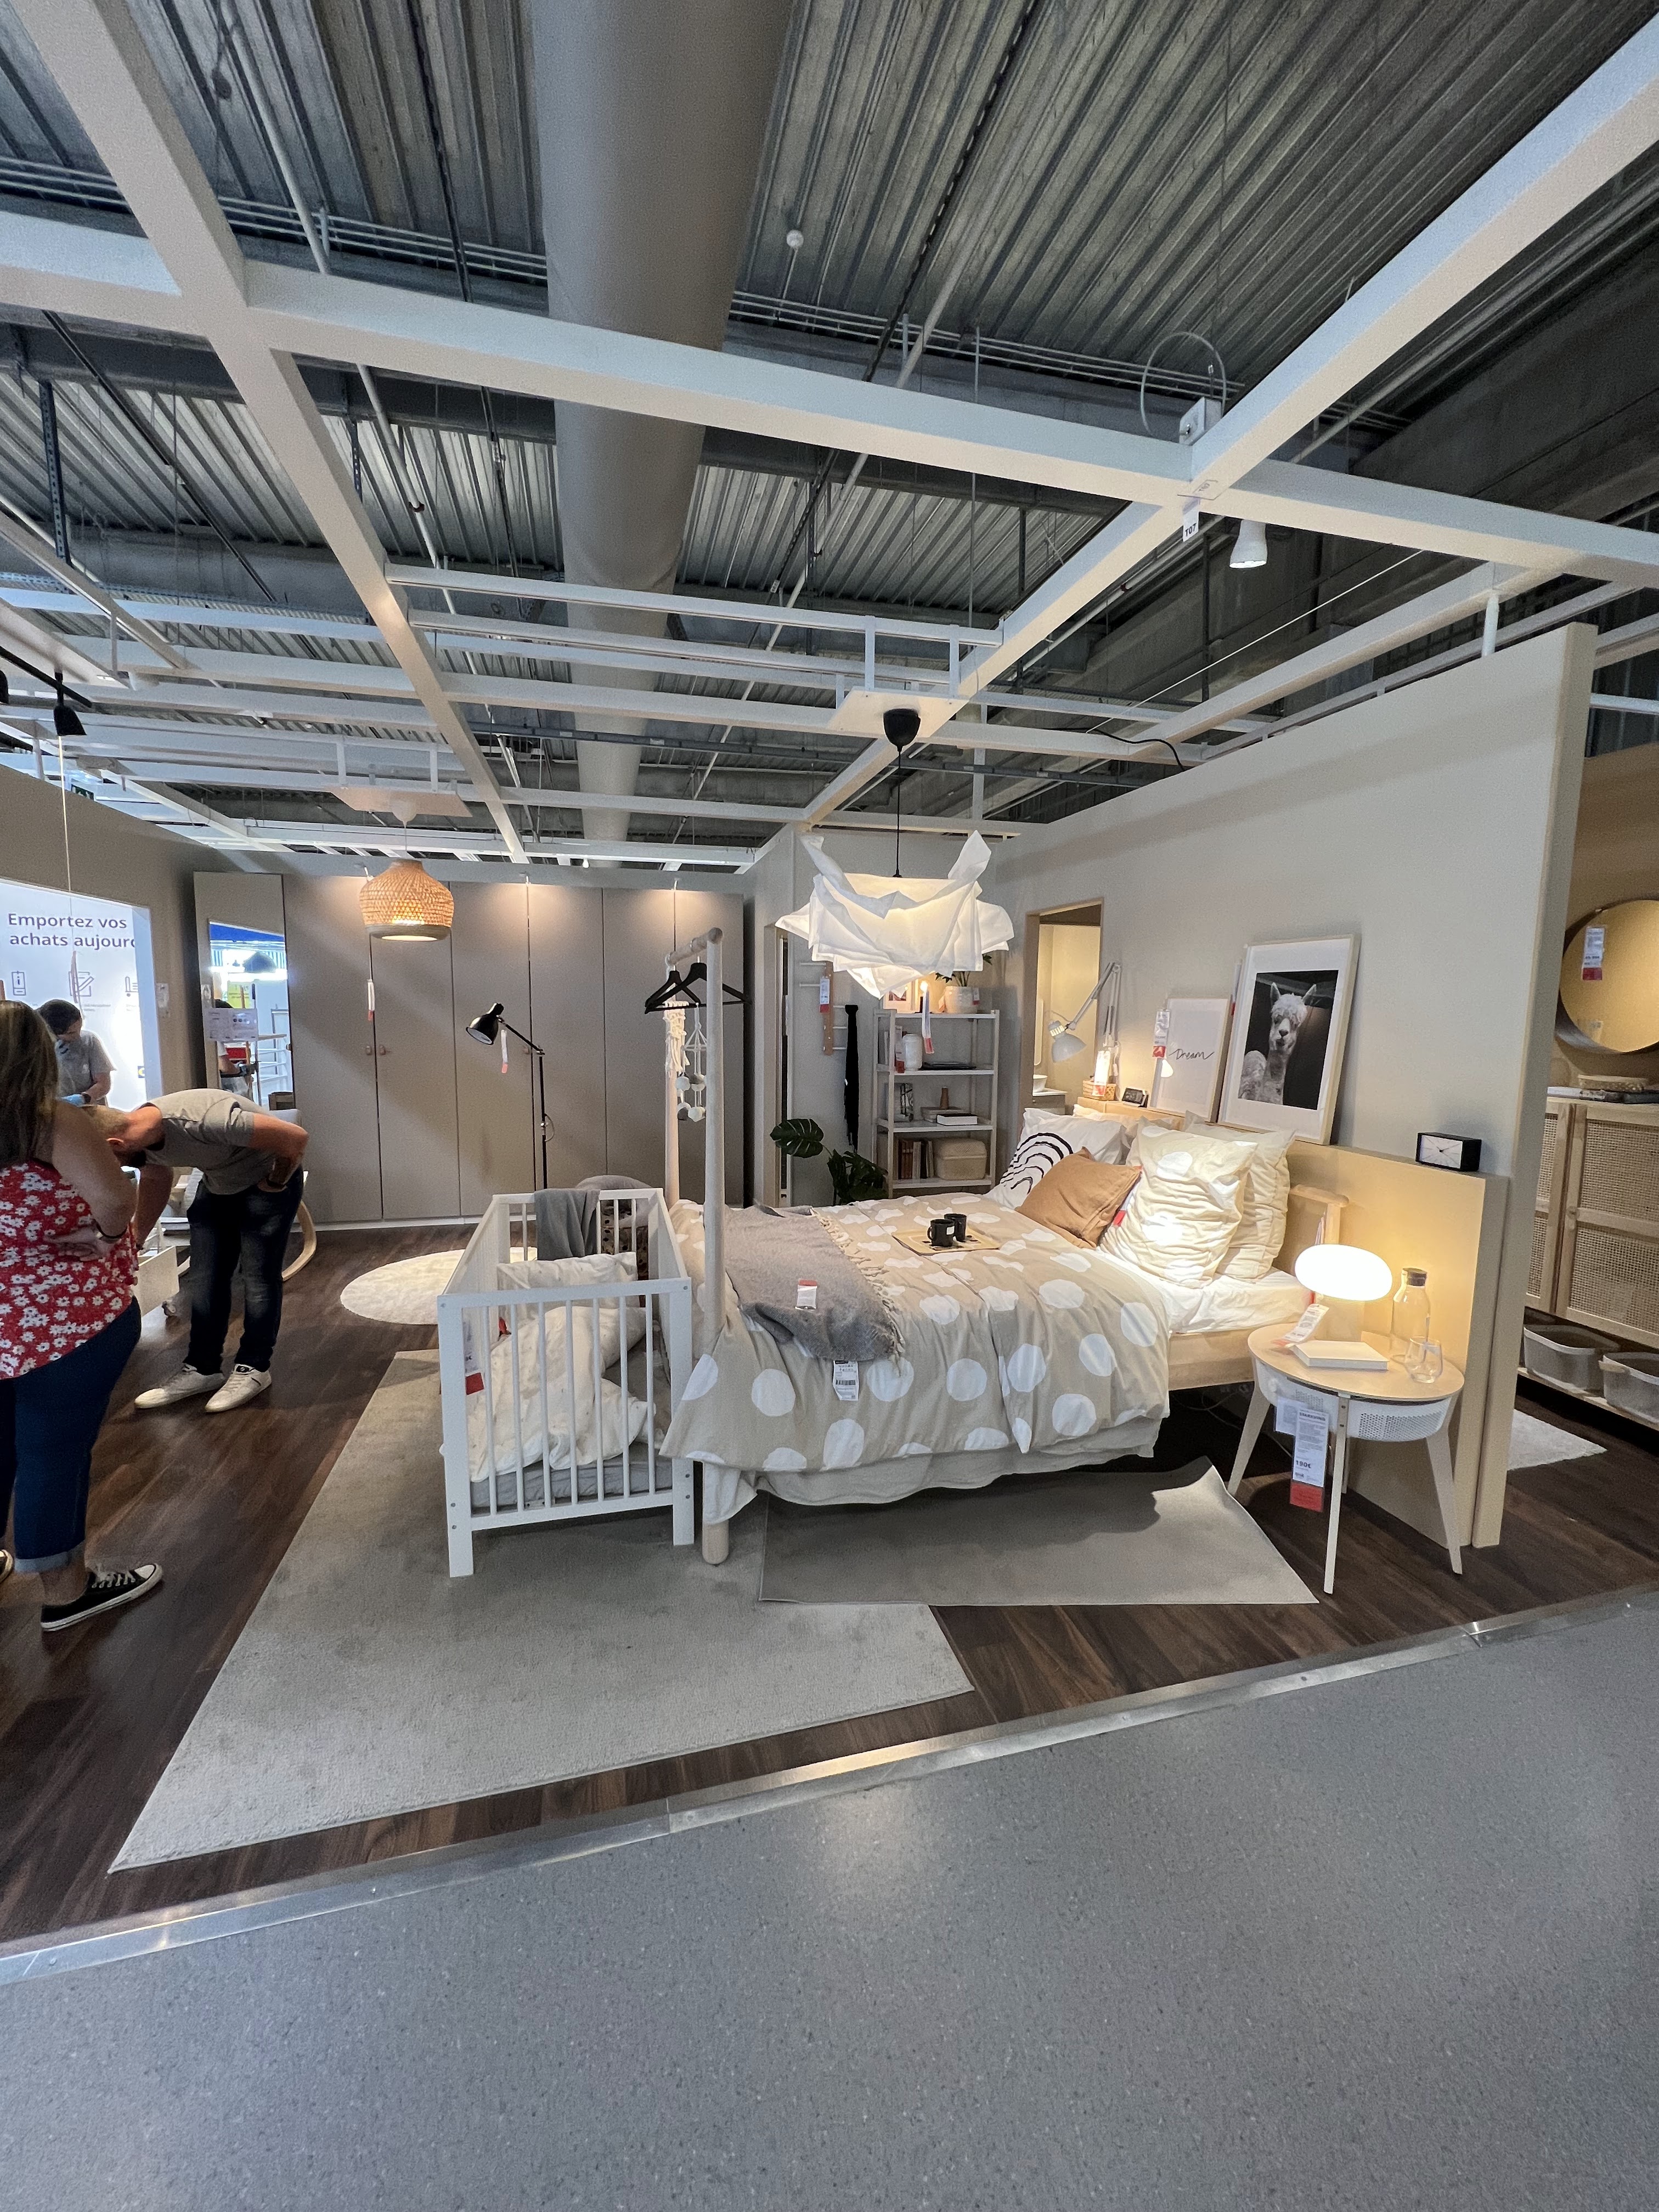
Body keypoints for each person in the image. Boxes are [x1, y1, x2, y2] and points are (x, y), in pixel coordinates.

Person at [0, 1001, 160, 1631]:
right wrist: (103, 1236)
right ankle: (67, 1592)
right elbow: (114, 1200)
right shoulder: (48, 1120)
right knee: (54, 1453)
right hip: (63, 1321)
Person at [97, 1091, 309, 1414]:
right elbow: (156, 1176)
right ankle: (202, 1368)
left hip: (267, 1184)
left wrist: (277, 1182)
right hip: (218, 1184)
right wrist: (134, 1241)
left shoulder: (205, 1121)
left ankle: (254, 1368)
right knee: (206, 1279)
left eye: (101, 1161)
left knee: (258, 1279)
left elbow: (295, 1138)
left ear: (115, 1144)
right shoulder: (138, 1139)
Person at [37, 999, 114, 1105]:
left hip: (89, 1109)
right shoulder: (38, 1049)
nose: (77, 1036)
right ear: (52, 1033)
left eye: (80, 1028)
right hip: (55, 1109)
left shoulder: (89, 1041)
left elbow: (103, 1083)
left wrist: (84, 1098)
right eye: (71, 1033)